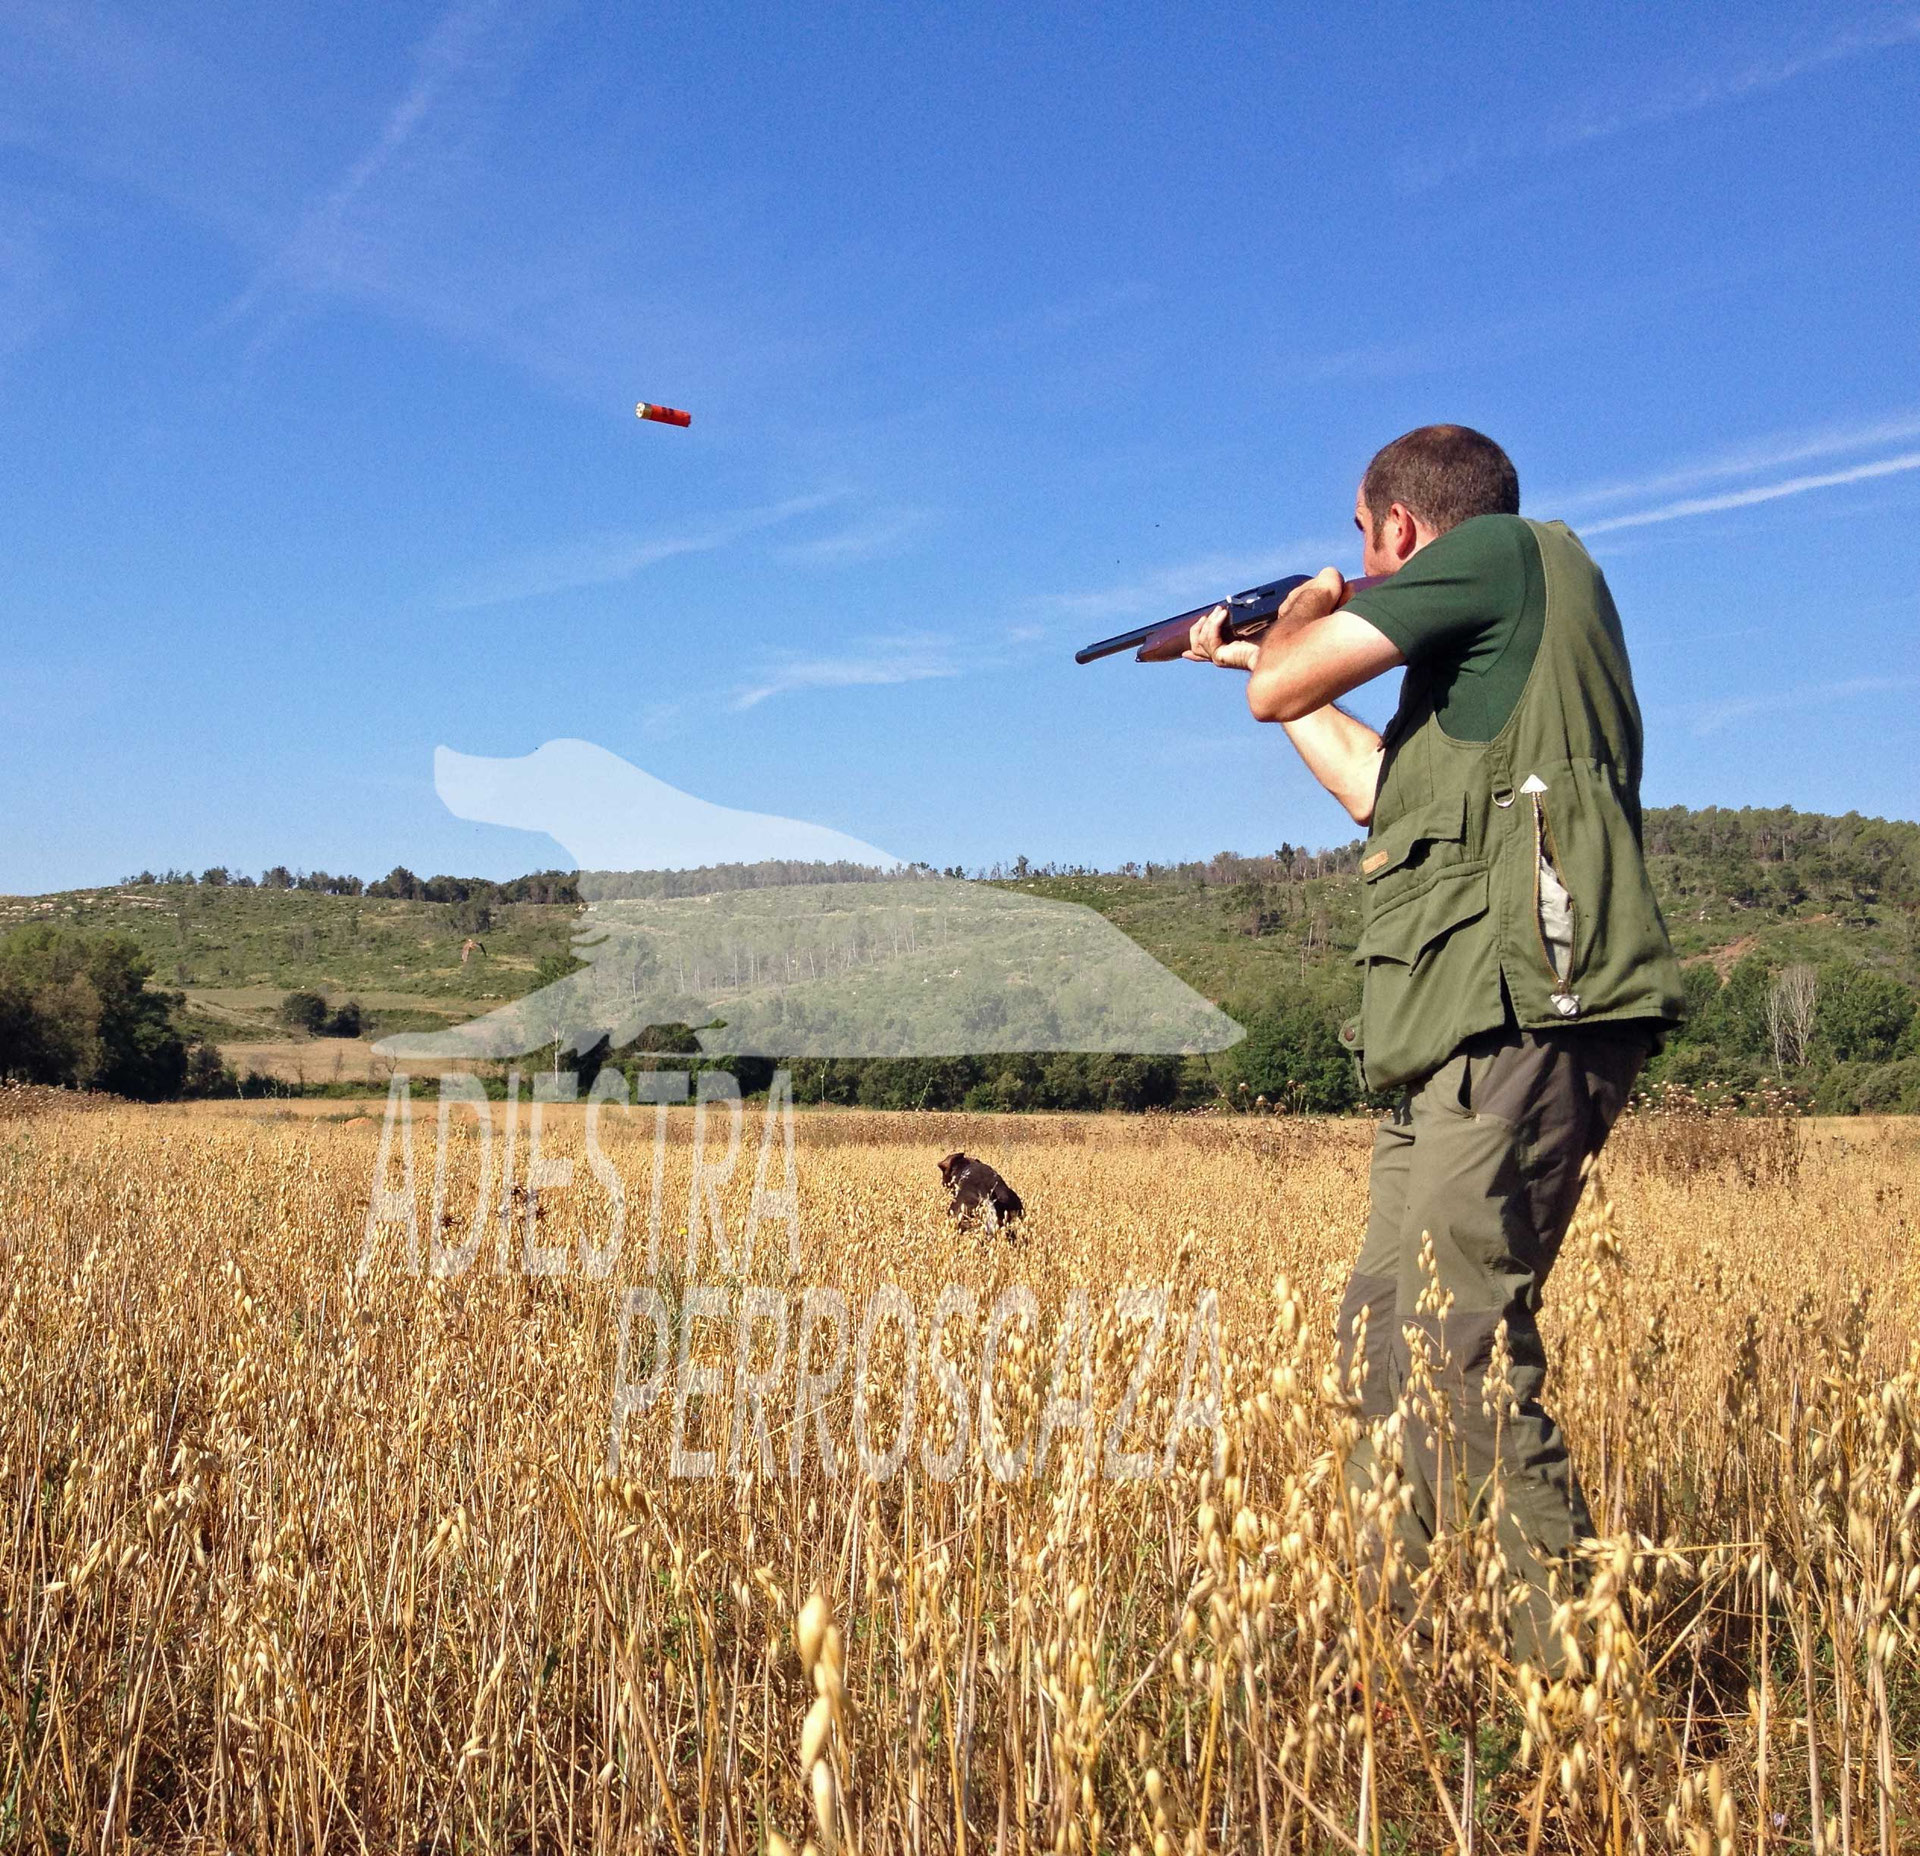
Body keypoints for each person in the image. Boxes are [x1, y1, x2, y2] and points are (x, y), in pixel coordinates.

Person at [1186, 423, 1685, 1664]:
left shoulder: (1507, 554)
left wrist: (1288, 623)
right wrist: (1266, 658)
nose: (1362, 558)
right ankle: (1388, 1647)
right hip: (1448, 1034)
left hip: (1519, 1015)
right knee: (1382, 1335)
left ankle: (1577, 1682)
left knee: (1463, 1341)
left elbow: (1276, 686)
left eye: (1363, 538)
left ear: (1400, 531)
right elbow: (1365, 777)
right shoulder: (1469, 679)